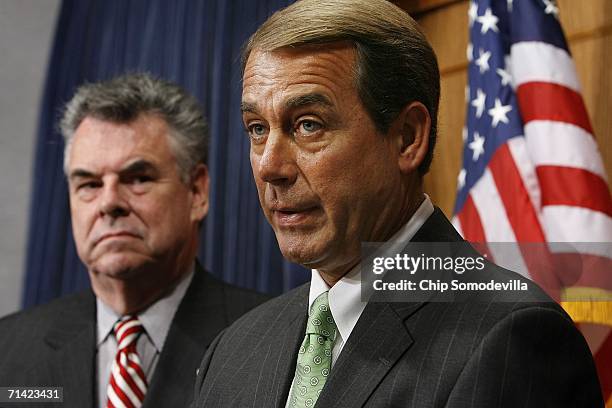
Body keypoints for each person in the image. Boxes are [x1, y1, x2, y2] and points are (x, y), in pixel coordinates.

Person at [191, 0, 603, 407]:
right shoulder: (233, 349)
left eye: (308, 125)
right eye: (257, 129)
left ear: (407, 137)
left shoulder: (512, 340)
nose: (270, 166)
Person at [0, 73, 270, 408]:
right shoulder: (8, 349)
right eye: (89, 184)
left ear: (197, 191)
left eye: (138, 179)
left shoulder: (271, 340)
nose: (109, 202)